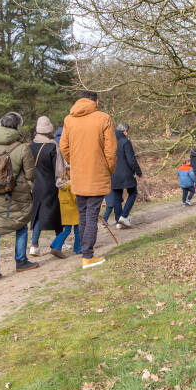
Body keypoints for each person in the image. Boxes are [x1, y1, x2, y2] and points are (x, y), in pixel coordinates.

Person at [59, 91, 117, 270]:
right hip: (97, 172)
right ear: (96, 101)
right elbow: (111, 150)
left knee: (83, 214)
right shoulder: (103, 118)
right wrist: (108, 169)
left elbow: (64, 147)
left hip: (78, 173)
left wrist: (74, 162)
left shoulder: (69, 119)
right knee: (91, 214)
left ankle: (85, 251)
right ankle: (87, 256)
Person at [0, 112, 39, 280]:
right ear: (17, 127)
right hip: (17, 195)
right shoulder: (22, 148)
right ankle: (21, 261)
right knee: (20, 225)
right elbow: (30, 173)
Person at [28, 116, 63, 257]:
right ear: (49, 129)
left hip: (35, 185)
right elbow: (58, 168)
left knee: (37, 215)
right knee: (56, 213)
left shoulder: (29, 146)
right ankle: (59, 242)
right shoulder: (52, 145)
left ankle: (34, 245)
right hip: (50, 184)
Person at [103, 123, 143, 229]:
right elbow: (131, 160)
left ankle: (118, 222)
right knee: (133, 193)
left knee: (116, 198)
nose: (127, 133)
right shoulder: (125, 141)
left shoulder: (108, 142)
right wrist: (139, 172)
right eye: (127, 131)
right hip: (126, 174)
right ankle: (123, 216)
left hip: (112, 174)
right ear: (124, 131)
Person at [52, 126, 82, 257]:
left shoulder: (61, 184)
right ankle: (73, 247)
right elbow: (76, 198)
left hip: (65, 210)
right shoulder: (71, 185)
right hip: (74, 209)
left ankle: (56, 245)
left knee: (68, 229)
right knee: (76, 229)